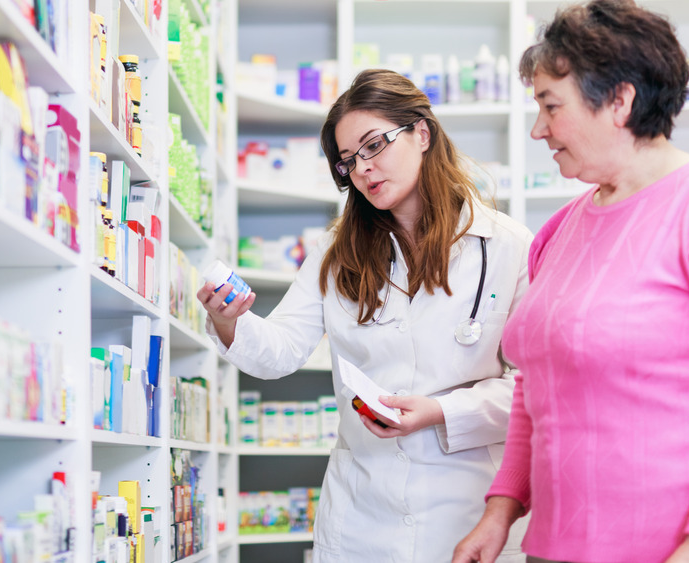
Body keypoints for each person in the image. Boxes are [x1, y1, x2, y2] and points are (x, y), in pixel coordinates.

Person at [451, 1, 689, 563]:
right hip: (554, 547)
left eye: (550, 106)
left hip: (672, 549)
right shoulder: (558, 232)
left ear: (620, 100)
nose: (539, 129)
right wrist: (501, 511)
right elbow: (534, 388)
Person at [197, 68, 533, 562]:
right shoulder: (337, 249)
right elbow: (279, 352)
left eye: (374, 145)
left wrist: (440, 411)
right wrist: (229, 320)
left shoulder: (507, 245)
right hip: (363, 514)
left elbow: (533, 387)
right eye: (348, 161)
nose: (363, 170)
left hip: (467, 508)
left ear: (422, 133)